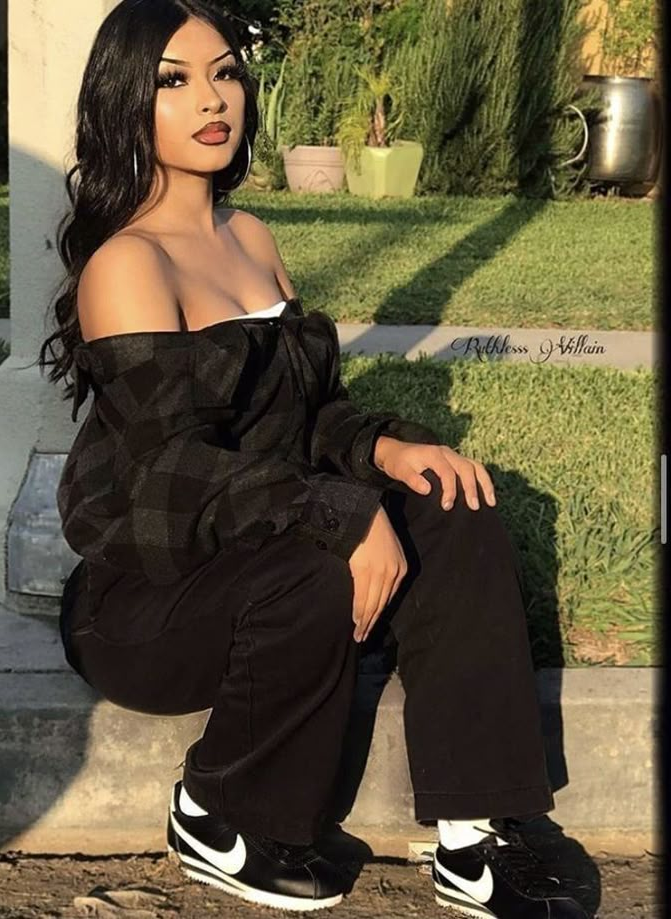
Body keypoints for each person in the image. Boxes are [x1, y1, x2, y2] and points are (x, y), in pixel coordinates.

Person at [38, 2, 590, 917]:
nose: (214, 100)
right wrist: (341, 512)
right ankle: (219, 811)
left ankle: (475, 831)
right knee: (317, 567)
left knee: (452, 501)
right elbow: (174, 471)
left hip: (258, 540)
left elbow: (306, 413)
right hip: (147, 599)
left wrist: (381, 447)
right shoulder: (127, 265)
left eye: (225, 73)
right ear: (127, 101)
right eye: (175, 80)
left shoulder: (248, 236)